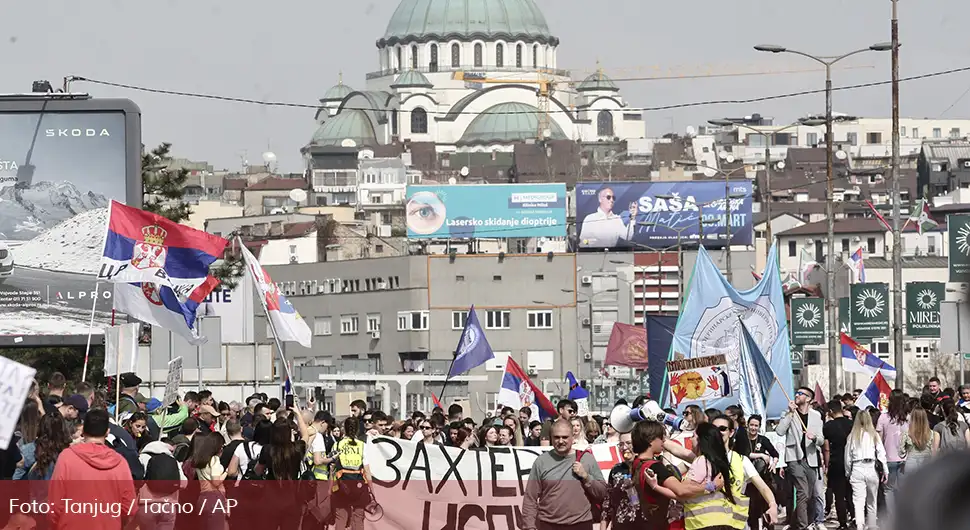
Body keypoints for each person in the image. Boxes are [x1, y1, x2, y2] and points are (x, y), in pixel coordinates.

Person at [49, 409, 137, 530]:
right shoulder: (120, 464)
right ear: (107, 432)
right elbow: (129, 508)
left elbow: (54, 504)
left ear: (83, 431)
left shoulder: (66, 458)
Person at [522, 419, 608, 530]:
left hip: (581, 524)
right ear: (551, 438)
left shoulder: (586, 459)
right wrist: (529, 527)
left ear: (573, 437)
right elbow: (530, 497)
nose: (560, 441)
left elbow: (603, 493)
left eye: (565, 437)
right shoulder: (541, 462)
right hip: (548, 524)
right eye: (556, 437)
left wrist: (586, 477)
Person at [775, 386, 824, 530]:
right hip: (794, 458)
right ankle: (803, 526)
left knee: (809, 495)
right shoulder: (789, 413)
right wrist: (790, 413)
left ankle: (793, 522)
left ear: (808, 399)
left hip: (811, 458)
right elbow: (780, 431)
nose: (797, 395)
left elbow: (821, 439)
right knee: (802, 492)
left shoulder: (816, 415)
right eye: (796, 393)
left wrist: (814, 437)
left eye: (801, 394)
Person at [844, 410, 887, 530]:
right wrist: (885, 470)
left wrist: (848, 472)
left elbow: (847, 457)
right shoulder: (874, 435)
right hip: (871, 467)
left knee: (858, 501)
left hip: (857, 467)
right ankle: (872, 525)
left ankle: (859, 525)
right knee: (871, 500)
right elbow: (881, 453)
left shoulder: (852, 436)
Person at [332, 417, 371, 530]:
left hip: (341, 484)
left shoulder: (337, 445)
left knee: (341, 517)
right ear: (358, 429)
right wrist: (372, 490)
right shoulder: (362, 445)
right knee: (358, 517)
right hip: (358, 485)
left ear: (344, 429)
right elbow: (367, 471)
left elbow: (332, 468)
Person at [823, 400, 855, 530]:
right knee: (851, 494)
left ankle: (842, 524)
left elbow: (826, 448)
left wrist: (826, 465)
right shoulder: (852, 424)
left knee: (839, 496)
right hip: (853, 462)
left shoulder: (828, 426)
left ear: (830, 411)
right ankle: (854, 518)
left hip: (836, 463)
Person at [745, 415, 779, 530]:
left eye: (756, 425)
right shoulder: (742, 439)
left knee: (766, 505)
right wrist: (761, 455)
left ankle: (768, 526)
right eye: (751, 425)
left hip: (763, 479)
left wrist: (773, 464)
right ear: (747, 425)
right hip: (748, 481)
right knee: (752, 509)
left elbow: (775, 454)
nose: (753, 428)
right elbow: (743, 454)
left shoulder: (763, 440)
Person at [876, 391, 908, 508]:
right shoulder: (907, 418)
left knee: (888, 490)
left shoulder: (883, 417)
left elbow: (878, 440)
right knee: (903, 490)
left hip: (888, 458)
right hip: (905, 458)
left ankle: (892, 519)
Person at [898, 407, 935, 475]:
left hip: (911, 463)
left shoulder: (907, 433)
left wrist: (906, 450)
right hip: (926, 463)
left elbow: (901, 453)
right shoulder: (932, 433)